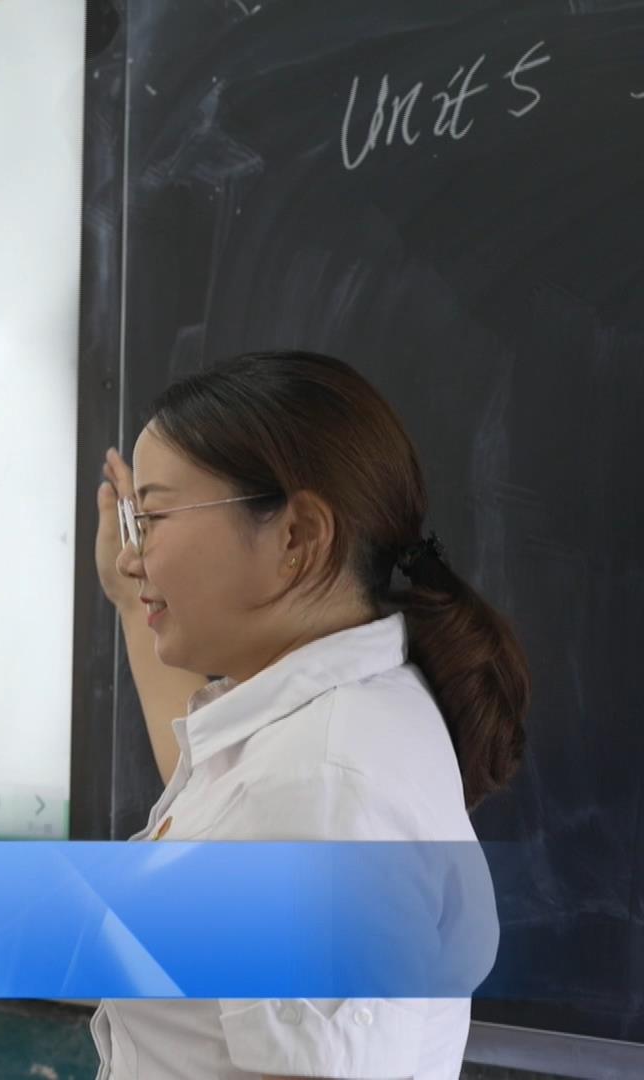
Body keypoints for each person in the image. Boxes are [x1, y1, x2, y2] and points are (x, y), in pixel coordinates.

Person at [89, 351, 528, 1079]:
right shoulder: (326, 731)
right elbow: (228, 808)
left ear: (296, 536)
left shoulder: (324, 784)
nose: (134, 557)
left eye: (155, 516)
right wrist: (132, 608)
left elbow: (277, 806)